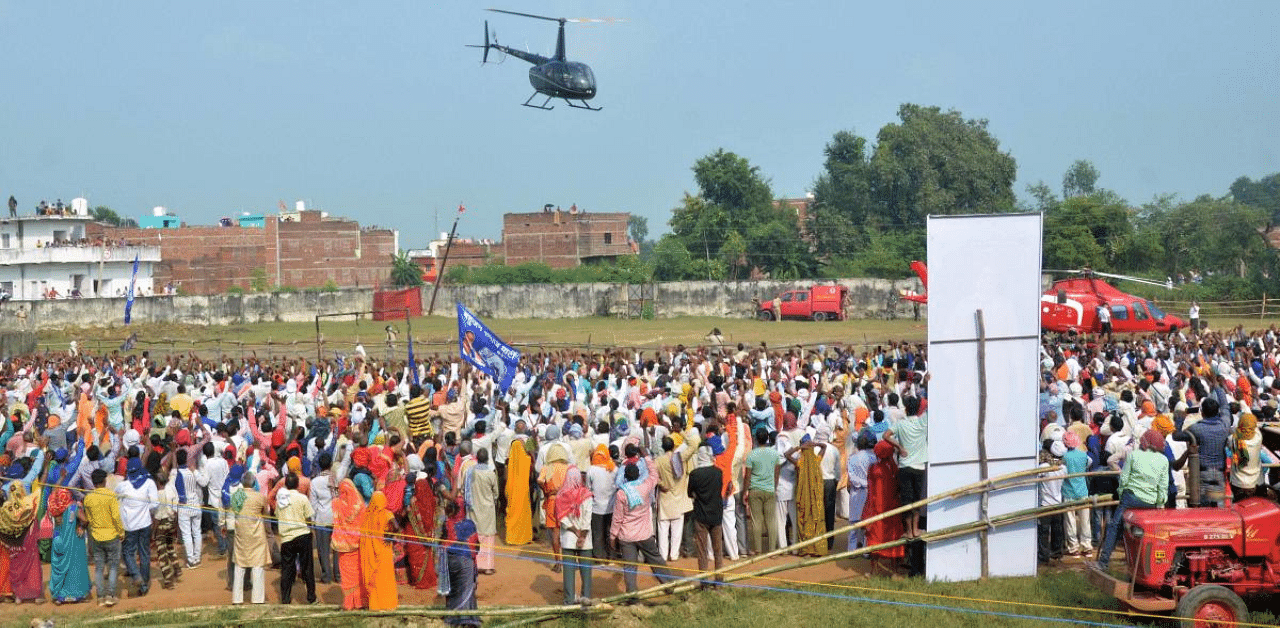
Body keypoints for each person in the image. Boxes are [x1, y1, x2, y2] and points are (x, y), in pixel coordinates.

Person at [1097, 429, 1169, 571]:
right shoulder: (1164, 460)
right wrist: (1160, 504)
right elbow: (1163, 486)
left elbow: (1124, 479)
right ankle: (1146, 567)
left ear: (1144, 442)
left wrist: (1122, 494)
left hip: (1131, 498)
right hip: (1151, 503)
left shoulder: (1134, 455)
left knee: (1114, 527)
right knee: (1147, 535)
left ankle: (1103, 562)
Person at [609, 453, 674, 592]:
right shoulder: (646, 487)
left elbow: (617, 519)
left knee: (630, 568)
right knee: (656, 561)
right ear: (639, 474)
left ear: (625, 477)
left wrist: (612, 536)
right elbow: (654, 475)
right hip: (645, 534)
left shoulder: (622, 493)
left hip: (627, 536)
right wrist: (647, 458)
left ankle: (632, 597)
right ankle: (670, 586)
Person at [81, 469, 123, 607]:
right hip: (112, 535)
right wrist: (121, 532)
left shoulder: (88, 498)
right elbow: (116, 516)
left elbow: (90, 519)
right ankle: (110, 595)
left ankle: (100, 598)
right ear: (104, 481)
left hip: (96, 536)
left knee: (99, 568)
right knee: (112, 567)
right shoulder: (111, 495)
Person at [116, 457, 157, 597]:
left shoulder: (123, 486)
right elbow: (155, 504)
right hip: (145, 523)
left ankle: (136, 576)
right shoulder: (149, 482)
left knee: (127, 553)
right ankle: (143, 584)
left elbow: (115, 498)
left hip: (130, 526)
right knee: (144, 554)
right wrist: (144, 508)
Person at [862, 440, 904, 572]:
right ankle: (894, 571)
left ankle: (872, 571)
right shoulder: (893, 469)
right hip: (892, 508)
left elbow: (870, 490)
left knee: (875, 538)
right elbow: (898, 487)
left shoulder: (874, 468)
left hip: (876, 509)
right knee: (893, 538)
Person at [277, 473, 317, 604]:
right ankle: (311, 598)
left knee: (287, 569)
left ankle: (285, 599)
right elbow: (309, 516)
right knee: (307, 568)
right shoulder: (302, 498)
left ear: (286, 485)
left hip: (287, 538)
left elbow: (277, 515)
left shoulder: (281, 500)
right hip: (302, 535)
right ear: (297, 485)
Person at [686, 445, 724, 588]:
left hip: (701, 515)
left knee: (702, 551)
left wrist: (697, 495)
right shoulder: (718, 472)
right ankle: (719, 581)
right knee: (718, 550)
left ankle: (704, 583)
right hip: (716, 515)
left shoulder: (695, 474)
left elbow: (690, 493)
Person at [556, 465, 593, 604]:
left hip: (568, 539)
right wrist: (582, 535)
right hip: (585, 540)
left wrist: (575, 531)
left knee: (568, 574)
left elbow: (562, 518)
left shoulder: (561, 495)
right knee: (586, 574)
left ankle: (569, 602)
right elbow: (587, 518)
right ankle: (585, 601)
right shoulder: (586, 495)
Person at [46, 487, 90, 604]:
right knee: (75, 568)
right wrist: (81, 527)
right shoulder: (73, 508)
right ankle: (76, 594)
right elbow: (85, 520)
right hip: (74, 543)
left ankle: (60, 596)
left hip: (59, 542)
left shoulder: (55, 511)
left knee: (60, 568)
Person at [441, 498, 480, 627]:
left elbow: (442, 540)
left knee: (453, 588)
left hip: (448, 560)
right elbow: (476, 546)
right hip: (464, 559)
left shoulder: (446, 522)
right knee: (465, 589)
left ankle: (452, 617)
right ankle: (465, 620)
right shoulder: (469, 524)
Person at [232, 470, 268, 605]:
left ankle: (237, 599)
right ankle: (258, 599)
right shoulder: (259, 497)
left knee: (239, 565)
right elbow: (266, 512)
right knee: (257, 566)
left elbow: (235, 511)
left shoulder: (236, 496)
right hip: (257, 535)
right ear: (254, 483)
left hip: (241, 534)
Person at [743, 428, 780, 556]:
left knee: (756, 521)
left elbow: (747, 477)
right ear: (767, 439)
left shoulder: (751, 455)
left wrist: (744, 492)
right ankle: (772, 551)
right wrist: (773, 488)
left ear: (757, 439)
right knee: (771, 520)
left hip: (755, 490)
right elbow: (777, 475)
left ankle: (758, 549)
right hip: (769, 490)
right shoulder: (774, 454)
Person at [359, 490, 397, 610]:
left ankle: (375, 605)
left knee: (374, 577)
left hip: (371, 552)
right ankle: (387, 604)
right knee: (385, 577)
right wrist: (389, 536)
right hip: (384, 550)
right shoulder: (387, 514)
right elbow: (396, 526)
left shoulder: (367, 515)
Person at [331, 478, 366, 609]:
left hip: (344, 546)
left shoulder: (336, 503)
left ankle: (349, 604)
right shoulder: (361, 505)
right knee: (358, 574)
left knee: (347, 576)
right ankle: (359, 602)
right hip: (358, 544)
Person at [465, 448, 500, 575]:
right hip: (487, 509)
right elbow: (496, 493)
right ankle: (488, 566)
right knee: (488, 537)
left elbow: (465, 489)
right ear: (486, 459)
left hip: (473, 507)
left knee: (474, 535)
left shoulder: (470, 471)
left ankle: (474, 564)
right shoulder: (490, 473)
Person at [151, 470, 183, 589]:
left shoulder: (159, 495)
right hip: (172, 521)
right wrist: (175, 522)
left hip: (162, 524)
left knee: (162, 552)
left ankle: (168, 580)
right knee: (170, 546)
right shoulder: (171, 489)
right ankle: (177, 569)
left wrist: (153, 532)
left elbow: (157, 517)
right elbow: (176, 507)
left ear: (158, 482)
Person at [845, 431, 876, 550]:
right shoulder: (874, 458)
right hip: (869, 492)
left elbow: (851, 477)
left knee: (853, 523)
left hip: (855, 492)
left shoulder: (852, 458)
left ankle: (851, 550)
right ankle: (866, 550)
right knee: (868, 522)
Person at [504, 432, 534, 546]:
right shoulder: (527, 460)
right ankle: (525, 537)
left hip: (511, 488)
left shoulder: (509, 463)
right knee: (524, 513)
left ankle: (512, 537)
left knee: (511, 512)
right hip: (523, 489)